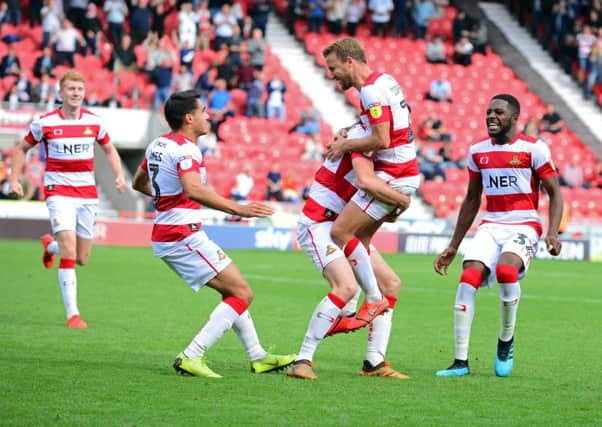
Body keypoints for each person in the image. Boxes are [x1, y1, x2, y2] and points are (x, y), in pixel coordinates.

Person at [131, 90, 295, 378]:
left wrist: (165, 199)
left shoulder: (158, 144)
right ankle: (192, 355)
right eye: (204, 111)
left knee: (233, 292)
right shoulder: (186, 149)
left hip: (171, 231)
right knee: (243, 293)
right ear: (189, 118)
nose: (209, 116)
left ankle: (258, 356)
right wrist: (238, 209)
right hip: (182, 234)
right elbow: (193, 189)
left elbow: (139, 182)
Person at [433, 94, 563, 378]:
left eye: (499, 113)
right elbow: (471, 199)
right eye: (489, 111)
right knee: (468, 278)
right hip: (490, 225)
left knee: (506, 270)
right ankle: (460, 361)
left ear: (515, 118)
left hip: (525, 223)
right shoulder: (477, 151)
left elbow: (555, 193)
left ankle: (506, 341)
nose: (491, 116)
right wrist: (453, 245)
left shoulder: (534, 149)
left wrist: (552, 232)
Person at [287, 124, 411, 380]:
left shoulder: (372, 145)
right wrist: (401, 201)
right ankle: (302, 359)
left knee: (391, 283)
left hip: (343, 225)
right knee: (346, 287)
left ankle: (374, 362)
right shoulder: (361, 139)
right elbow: (365, 182)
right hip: (319, 222)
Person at [8, 70, 127, 329]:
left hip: (87, 194)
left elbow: (109, 148)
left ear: (84, 93)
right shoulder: (45, 122)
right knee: (70, 251)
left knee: (82, 257)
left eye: (79, 89)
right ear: (61, 92)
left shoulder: (95, 122)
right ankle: (73, 315)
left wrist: (119, 175)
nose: (75, 93)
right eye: (71, 89)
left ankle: (50, 246)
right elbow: (21, 148)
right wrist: (14, 179)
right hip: (58, 191)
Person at [322, 38, 420, 351]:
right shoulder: (386, 81)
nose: (332, 76)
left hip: (393, 175)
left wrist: (345, 144)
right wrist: (352, 130)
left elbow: (380, 137)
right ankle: (372, 352)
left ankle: (370, 301)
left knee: (340, 232)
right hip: (403, 173)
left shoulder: (369, 91)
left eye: (334, 68)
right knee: (359, 244)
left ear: (350, 61)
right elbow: (386, 123)